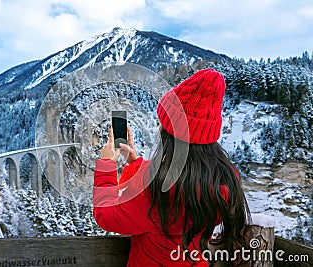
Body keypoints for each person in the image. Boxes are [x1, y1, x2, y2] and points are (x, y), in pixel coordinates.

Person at [93, 68, 250, 266]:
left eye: (163, 123)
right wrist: (134, 162)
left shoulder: (155, 192)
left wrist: (106, 166)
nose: (159, 128)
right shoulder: (222, 182)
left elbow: (105, 215)